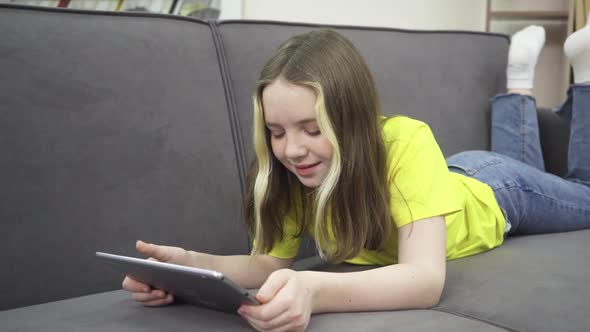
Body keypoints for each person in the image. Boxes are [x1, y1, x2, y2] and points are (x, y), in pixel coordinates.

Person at [122, 22, 590, 331]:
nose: (292, 149)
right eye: (276, 132)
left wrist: (314, 289)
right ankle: (519, 85)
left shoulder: (406, 139)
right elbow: (266, 266)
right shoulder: (290, 173)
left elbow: (424, 280)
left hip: (495, 193)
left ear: (353, 120)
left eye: (312, 128)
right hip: (444, 181)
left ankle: (583, 75)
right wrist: (184, 265)